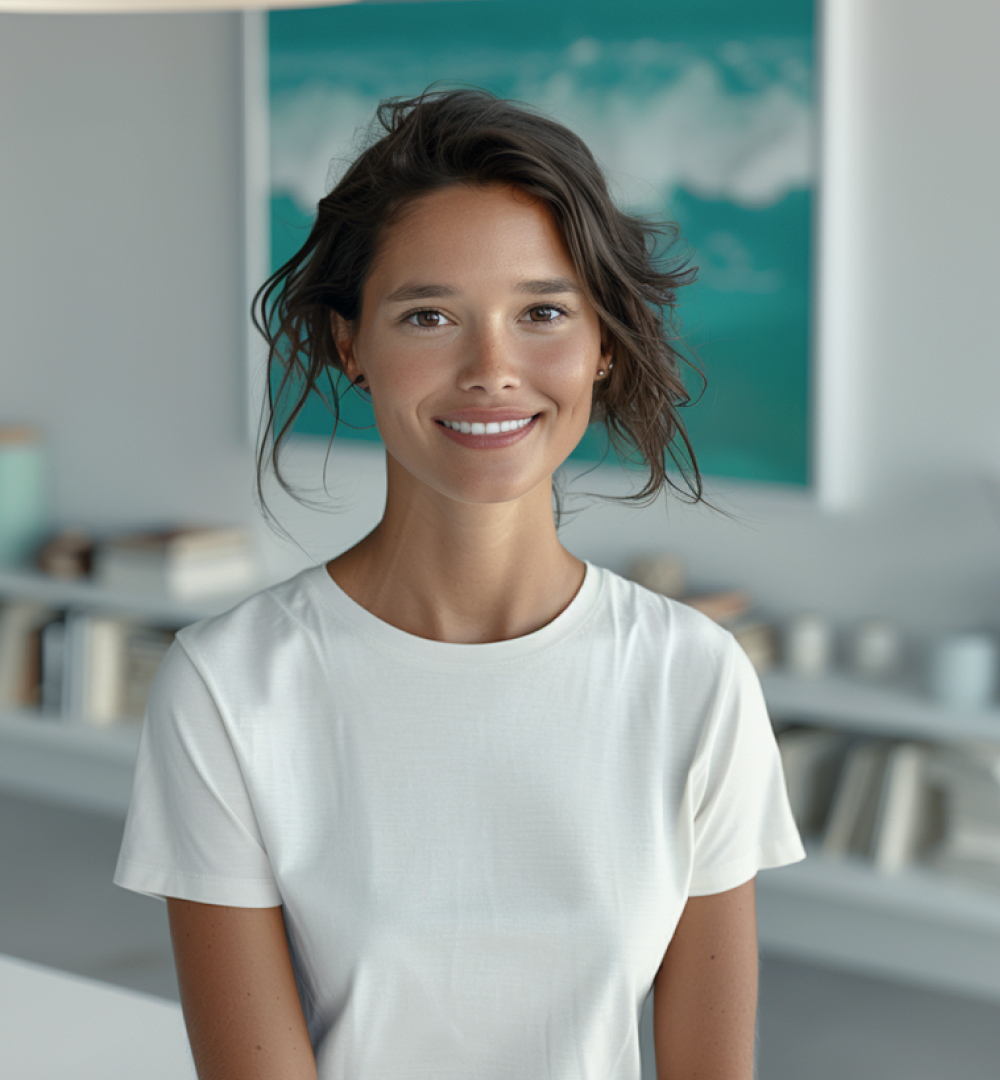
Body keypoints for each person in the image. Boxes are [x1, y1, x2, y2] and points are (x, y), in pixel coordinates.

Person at [114, 88, 806, 1080]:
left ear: (602, 343)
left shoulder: (693, 678)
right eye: (430, 314)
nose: (492, 368)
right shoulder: (230, 688)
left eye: (543, 312)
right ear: (352, 344)